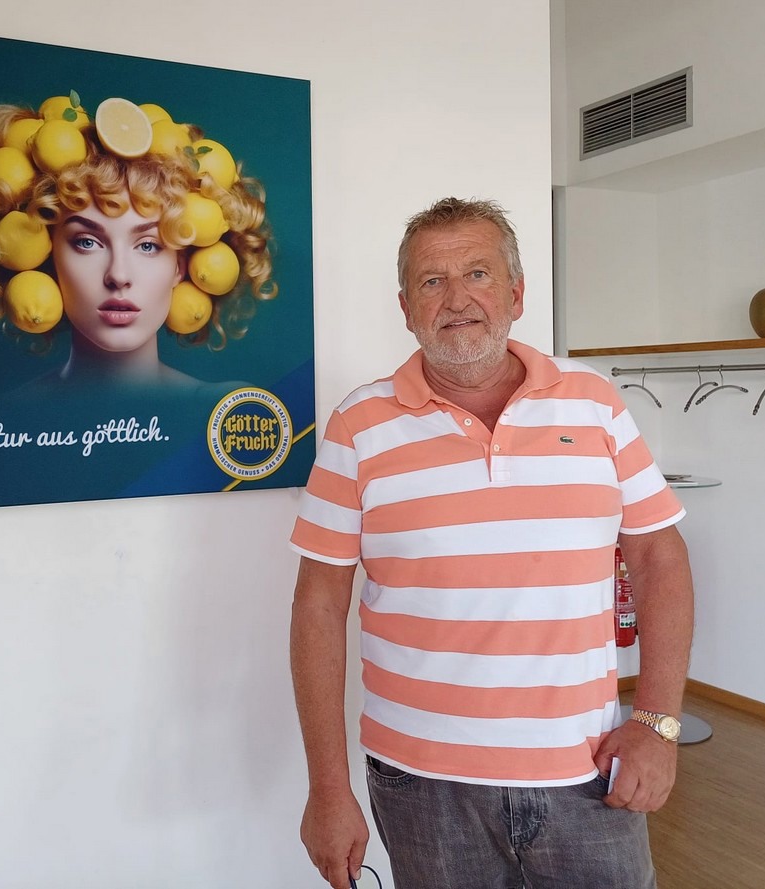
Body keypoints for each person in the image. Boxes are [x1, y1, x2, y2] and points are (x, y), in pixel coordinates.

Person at [288, 198, 694, 888]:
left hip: (586, 768)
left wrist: (657, 722)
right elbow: (318, 606)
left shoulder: (594, 401)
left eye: (477, 273)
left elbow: (659, 558)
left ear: (517, 293)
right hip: (421, 784)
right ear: (406, 307)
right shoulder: (359, 425)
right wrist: (328, 788)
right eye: (432, 281)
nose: (456, 299)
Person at [0, 95, 276, 391]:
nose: (118, 276)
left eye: (148, 245)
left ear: (180, 266)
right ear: (47, 257)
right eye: (87, 242)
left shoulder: (227, 415)